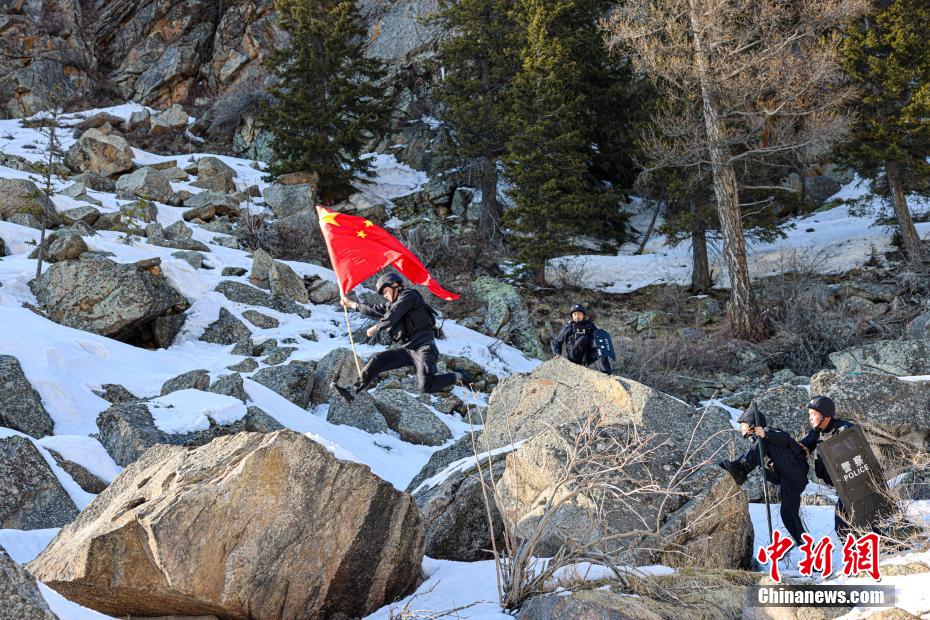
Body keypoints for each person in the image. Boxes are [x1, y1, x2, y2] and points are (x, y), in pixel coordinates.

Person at [336, 272, 469, 400]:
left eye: (385, 292)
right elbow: (374, 309)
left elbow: (394, 314)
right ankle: (353, 391)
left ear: (394, 285)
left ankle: (459, 375)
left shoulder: (410, 296)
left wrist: (377, 327)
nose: (385, 296)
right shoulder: (392, 304)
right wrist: (351, 304)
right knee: (377, 359)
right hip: (409, 350)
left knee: (425, 387)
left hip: (424, 348)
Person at [719, 404, 810, 546]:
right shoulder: (760, 446)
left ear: (752, 425)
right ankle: (809, 550)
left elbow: (785, 438)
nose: (741, 429)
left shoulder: (770, 435)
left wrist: (765, 434)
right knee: (788, 514)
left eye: (743, 425)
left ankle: (741, 469)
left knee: (762, 443)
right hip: (788, 480)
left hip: (794, 474)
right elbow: (774, 475)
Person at [797, 395, 856, 538]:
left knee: (843, 527)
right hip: (842, 488)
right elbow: (801, 447)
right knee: (846, 528)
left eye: (813, 415)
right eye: (809, 415)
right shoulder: (817, 433)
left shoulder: (845, 429)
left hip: (855, 486)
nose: (810, 418)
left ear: (825, 415)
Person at [551, 304, 611, 374]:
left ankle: (606, 372)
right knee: (583, 338)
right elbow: (558, 341)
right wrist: (558, 353)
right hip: (573, 356)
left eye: (579, 314)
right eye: (575, 314)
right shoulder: (568, 327)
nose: (577, 316)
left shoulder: (590, 325)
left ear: (583, 315)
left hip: (586, 357)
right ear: (572, 316)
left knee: (602, 349)